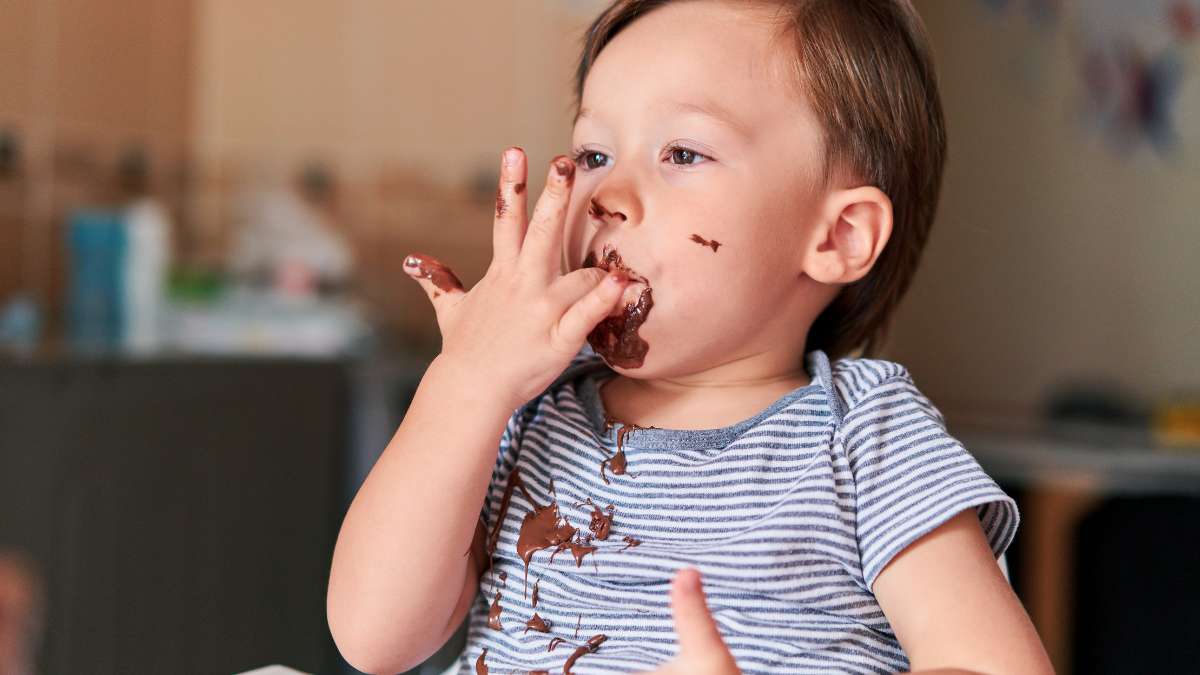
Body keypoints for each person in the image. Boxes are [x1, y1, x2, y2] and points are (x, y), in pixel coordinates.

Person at [327, 1, 1054, 672]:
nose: (605, 196)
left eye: (681, 153)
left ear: (837, 235)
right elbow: (373, 636)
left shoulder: (864, 435)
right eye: (593, 156)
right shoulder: (530, 408)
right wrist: (465, 384)